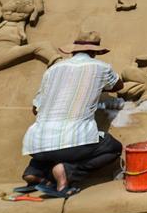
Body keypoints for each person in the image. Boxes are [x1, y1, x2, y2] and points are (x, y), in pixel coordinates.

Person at [19, 31, 124, 198]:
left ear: (73, 50)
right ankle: (67, 173)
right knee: (113, 148)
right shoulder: (101, 67)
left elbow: (36, 108)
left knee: (51, 148)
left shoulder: (53, 69)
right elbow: (119, 86)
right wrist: (97, 87)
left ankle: (34, 171)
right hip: (74, 142)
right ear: (94, 52)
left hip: (35, 143)